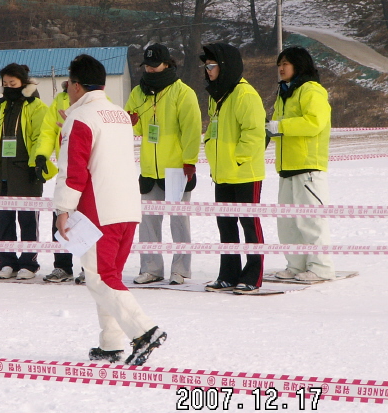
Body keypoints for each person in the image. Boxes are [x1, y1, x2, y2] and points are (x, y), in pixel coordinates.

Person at [54, 54, 167, 366]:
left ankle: (144, 331)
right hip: (127, 207)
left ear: (76, 86)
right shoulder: (118, 114)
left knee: (101, 279)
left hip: (98, 210)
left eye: (67, 84)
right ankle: (111, 344)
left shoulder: (80, 119)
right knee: (109, 276)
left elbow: (73, 170)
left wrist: (63, 208)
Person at [125, 43, 201, 286]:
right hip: (149, 168)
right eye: (147, 66)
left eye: (154, 65)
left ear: (167, 64)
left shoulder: (183, 93)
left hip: (176, 169)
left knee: (179, 222)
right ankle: (151, 267)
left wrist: (189, 161)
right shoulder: (138, 92)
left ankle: (181, 269)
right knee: (148, 222)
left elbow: (191, 130)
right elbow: (134, 126)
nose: (150, 70)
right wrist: (131, 121)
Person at [200, 43, 266, 294]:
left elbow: (254, 132)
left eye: (212, 65)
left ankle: (253, 275)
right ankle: (228, 274)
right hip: (222, 173)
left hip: (245, 173)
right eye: (206, 66)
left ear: (225, 66)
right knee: (226, 226)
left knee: (249, 225)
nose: (208, 70)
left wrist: (238, 159)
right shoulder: (216, 93)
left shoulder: (245, 94)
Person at [268, 46, 335, 281]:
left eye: (285, 63)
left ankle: (320, 267)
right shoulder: (284, 92)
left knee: (310, 220)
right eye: (279, 64)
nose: (281, 68)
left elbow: (314, 122)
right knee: (288, 224)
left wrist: (281, 126)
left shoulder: (311, 91)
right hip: (286, 167)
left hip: (308, 168)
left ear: (299, 65)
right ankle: (296, 265)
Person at [0, 63, 47, 279]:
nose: (9, 86)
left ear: (23, 82)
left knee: (28, 219)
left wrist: (37, 161)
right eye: (5, 83)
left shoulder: (36, 106)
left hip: (25, 171)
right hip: (2, 172)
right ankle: (7, 262)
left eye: (13, 83)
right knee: (3, 219)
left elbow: (40, 137)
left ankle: (29, 262)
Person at [32, 81, 80, 284]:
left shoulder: (95, 102)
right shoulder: (59, 101)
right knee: (61, 215)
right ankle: (62, 266)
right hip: (66, 169)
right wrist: (42, 154)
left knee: (88, 220)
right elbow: (48, 131)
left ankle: (90, 267)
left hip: (89, 169)